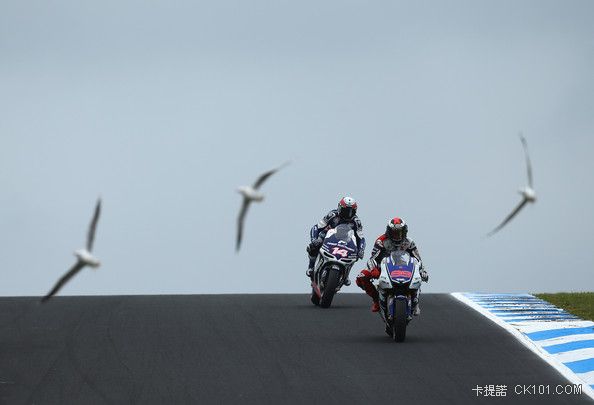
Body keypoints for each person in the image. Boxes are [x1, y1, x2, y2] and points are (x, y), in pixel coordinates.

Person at [356, 217, 428, 313]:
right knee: (362, 277)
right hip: (383, 265)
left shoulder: (409, 242)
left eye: (400, 232)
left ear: (405, 231)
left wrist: (422, 271)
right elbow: (373, 258)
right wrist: (373, 270)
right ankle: (376, 300)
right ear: (389, 231)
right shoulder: (381, 241)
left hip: (403, 265)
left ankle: (415, 302)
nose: (397, 235)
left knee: (417, 277)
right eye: (394, 232)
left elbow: (417, 259)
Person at [306, 196, 365, 286]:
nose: (347, 214)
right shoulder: (332, 215)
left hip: (346, 241)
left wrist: (360, 250)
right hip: (327, 237)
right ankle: (311, 267)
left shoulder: (356, 221)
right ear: (339, 207)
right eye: (345, 210)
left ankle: (346, 274)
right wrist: (314, 240)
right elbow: (316, 227)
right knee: (313, 247)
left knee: (355, 256)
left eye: (350, 211)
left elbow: (361, 238)